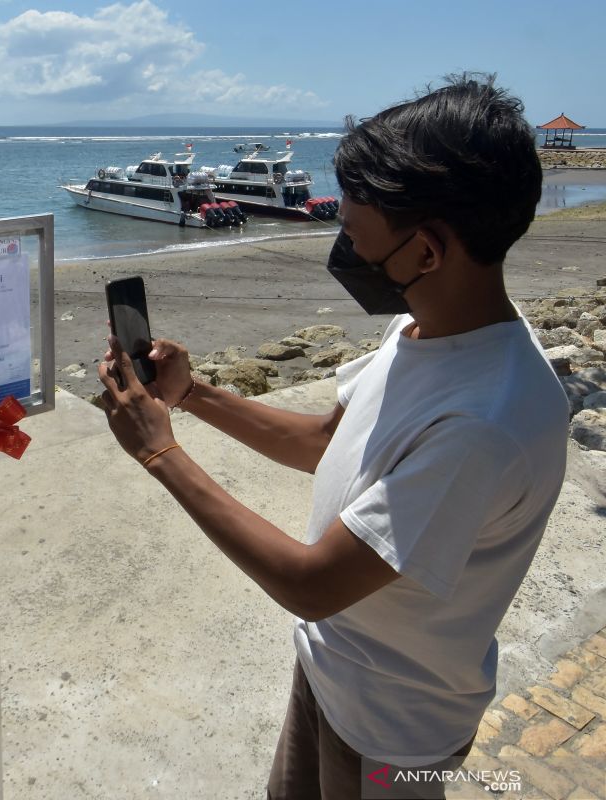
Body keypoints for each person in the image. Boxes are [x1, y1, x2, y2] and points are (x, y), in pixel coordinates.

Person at [97, 75, 567, 798]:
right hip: (334, 671)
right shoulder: (423, 328)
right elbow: (327, 440)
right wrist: (190, 396)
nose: (343, 242)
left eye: (355, 231)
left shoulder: (484, 423)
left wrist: (160, 454)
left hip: (392, 727)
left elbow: (313, 583)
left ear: (429, 250)